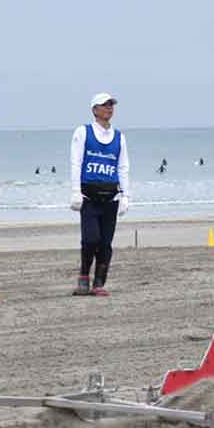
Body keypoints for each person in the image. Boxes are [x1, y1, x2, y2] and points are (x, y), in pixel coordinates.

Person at [69, 92, 129, 295]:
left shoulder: (119, 137)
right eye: (104, 105)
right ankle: (83, 276)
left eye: (111, 105)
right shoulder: (83, 132)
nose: (109, 108)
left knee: (105, 243)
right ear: (95, 109)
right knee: (90, 239)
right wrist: (75, 191)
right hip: (88, 198)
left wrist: (125, 195)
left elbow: (123, 167)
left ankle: (99, 283)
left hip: (110, 198)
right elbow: (76, 163)